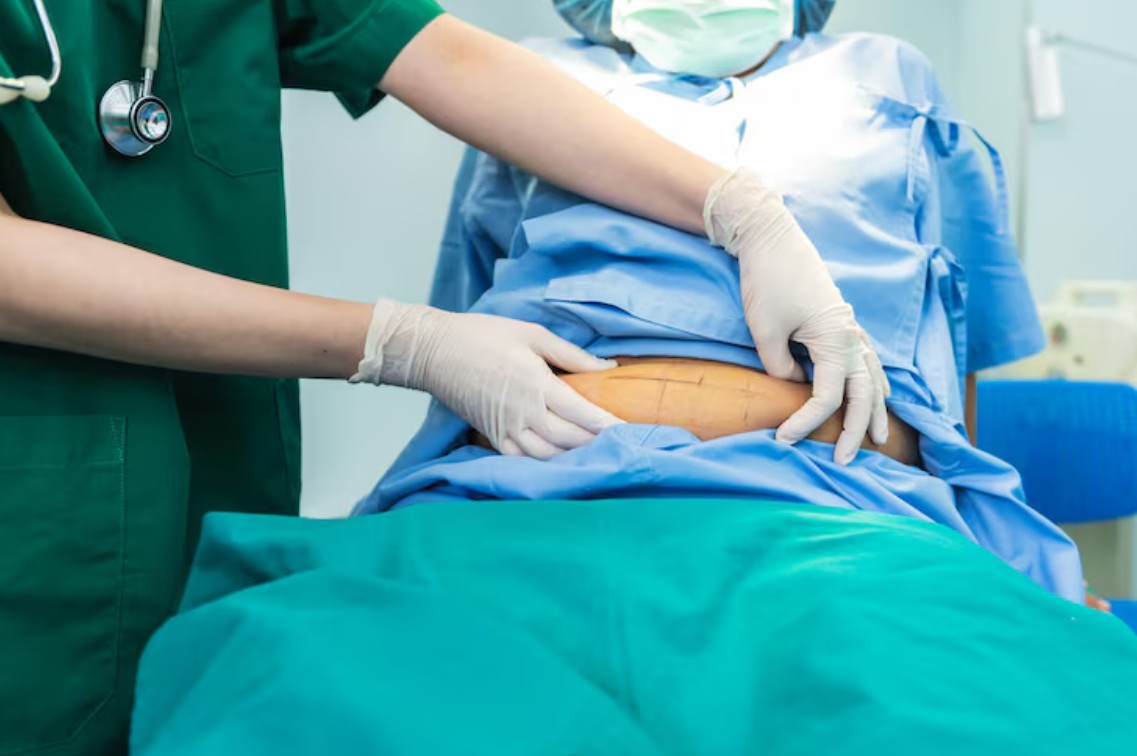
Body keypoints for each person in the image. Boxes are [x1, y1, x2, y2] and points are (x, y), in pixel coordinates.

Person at [0, 0, 889, 753]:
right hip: (41, 487)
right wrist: (398, 343)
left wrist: (738, 208)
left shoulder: (886, 83)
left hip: (217, 471)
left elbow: (437, 54)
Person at [355, 0, 1085, 605]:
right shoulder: (525, 79)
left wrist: (988, 532)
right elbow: (466, 350)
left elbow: (951, 337)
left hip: (842, 503)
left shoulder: (889, 73)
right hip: (533, 488)